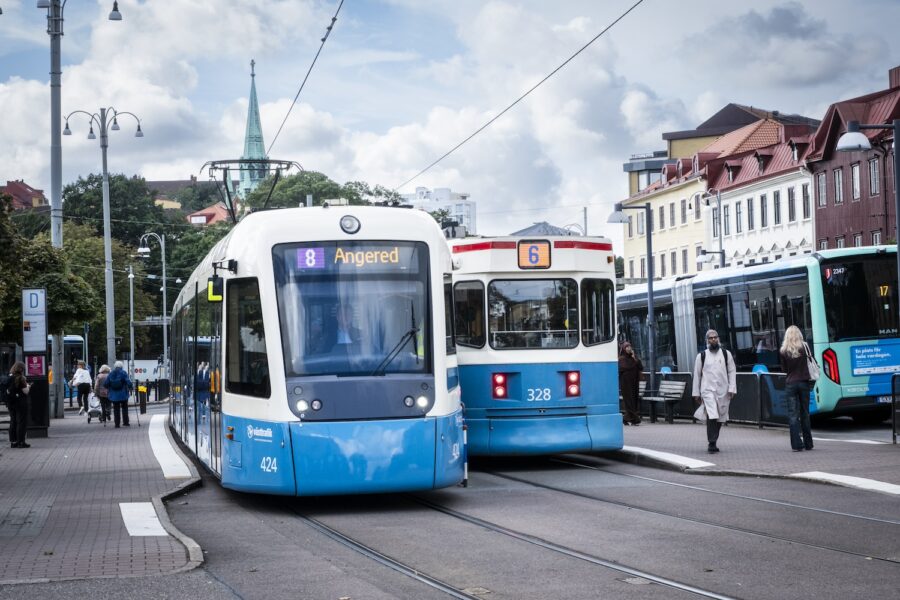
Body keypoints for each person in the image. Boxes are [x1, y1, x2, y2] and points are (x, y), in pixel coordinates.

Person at [692, 329, 736, 453]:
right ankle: (711, 443)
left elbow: (732, 372)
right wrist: (696, 393)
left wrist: (732, 388)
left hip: (723, 390)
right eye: (710, 338)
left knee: (721, 416)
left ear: (718, 339)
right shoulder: (701, 356)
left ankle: (714, 440)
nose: (713, 340)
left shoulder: (726, 354)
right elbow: (697, 375)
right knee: (712, 415)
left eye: (715, 337)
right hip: (707, 390)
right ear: (707, 340)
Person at [779, 325, 815, 452]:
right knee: (805, 413)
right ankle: (808, 443)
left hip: (790, 384)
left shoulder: (783, 351)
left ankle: (796, 445)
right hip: (804, 383)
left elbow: (784, 369)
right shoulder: (804, 347)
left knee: (793, 415)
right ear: (799, 334)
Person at [6, 361, 31, 448]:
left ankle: (13, 442)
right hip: (20, 403)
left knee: (13, 421)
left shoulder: (9, 377)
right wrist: (28, 386)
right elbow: (25, 391)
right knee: (21, 422)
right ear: (21, 369)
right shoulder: (21, 378)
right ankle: (21, 442)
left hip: (10, 403)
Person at [618, 341, 643, 426]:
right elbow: (625, 367)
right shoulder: (621, 359)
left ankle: (627, 418)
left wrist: (634, 358)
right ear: (624, 349)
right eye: (627, 347)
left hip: (634, 383)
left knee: (634, 399)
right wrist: (634, 361)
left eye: (630, 347)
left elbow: (640, 367)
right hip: (626, 384)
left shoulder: (634, 358)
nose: (629, 348)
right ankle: (635, 419)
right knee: (629, 401)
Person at [104, 361, 132, 428]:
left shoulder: (111, 373)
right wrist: (130, 386)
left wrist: (109, 387)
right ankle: (126, 422)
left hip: (114, 395)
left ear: (115, 366)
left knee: (116, 409)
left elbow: (106, 384)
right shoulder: (123, 373)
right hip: (123, 394)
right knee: (125, 408)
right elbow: (128, 382)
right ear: (121, 366)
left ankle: (117, 424)